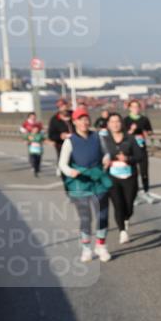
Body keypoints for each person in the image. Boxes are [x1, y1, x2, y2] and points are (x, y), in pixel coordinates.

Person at [58, 107, 113, 263]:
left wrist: (106, 159)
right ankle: (86, 248)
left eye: (86, 119)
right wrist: (70, 172)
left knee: (102, 215)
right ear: (74, 122)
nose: (84, 122)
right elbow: (62, 164)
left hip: (97, 180)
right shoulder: (69, 141)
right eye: (80, 119)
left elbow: (106, 152)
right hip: (80, 182)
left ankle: (101, 246)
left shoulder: (97, 137)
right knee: (85, 218)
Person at [100, 112, 141, 244]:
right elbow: (98, 156)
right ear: (108, 125)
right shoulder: (104, 140)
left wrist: (128, 158)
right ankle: (122, 231)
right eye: (112, 122)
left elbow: (140, 156)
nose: (115, 124)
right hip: (112, 178)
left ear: (121, 123)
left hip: (129, 177)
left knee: (128, 206)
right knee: (118, 205)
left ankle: (126, 218)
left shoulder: (130, 138)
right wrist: (105, 162)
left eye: (117, 121)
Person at [125, 100, 154, 203]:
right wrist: (131, 131)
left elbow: (150, 131)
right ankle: (135, 195)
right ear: (129, 108)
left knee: (144, 172)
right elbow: (123, 135)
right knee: (133, 173)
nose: (135, 109)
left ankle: (146, 192)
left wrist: (147, 133)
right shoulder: (126, 120)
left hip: (142, 148)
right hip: (131, 150)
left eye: (137, 107)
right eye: (133, 107)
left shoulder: (144, 119)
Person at [47, 99, 74, 175]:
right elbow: (51, 135)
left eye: (65, 106)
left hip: (76, 142)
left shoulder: (74, 115)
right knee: (64, 161)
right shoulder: (54, 120)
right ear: (58, 108)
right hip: (61, 145)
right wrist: (60, 136)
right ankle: (62, 172)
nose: (64, 108)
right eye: (61, 107)